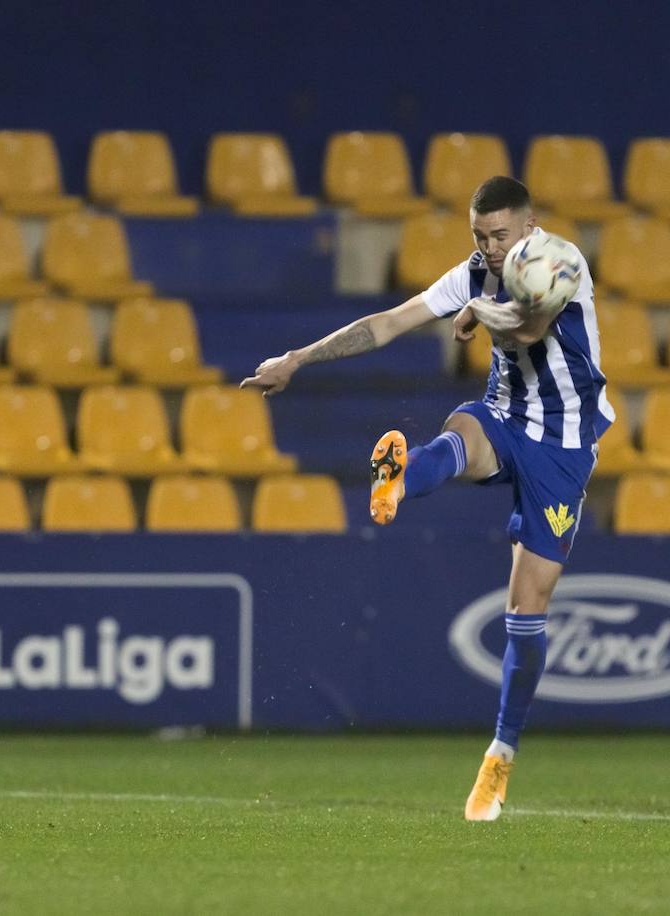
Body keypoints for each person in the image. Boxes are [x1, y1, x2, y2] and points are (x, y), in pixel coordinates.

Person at [241, 176, 613, 822]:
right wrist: (298, 358)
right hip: (504, 416)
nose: (489, 249)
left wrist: (477, 310)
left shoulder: (562, 261)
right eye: (479, 236)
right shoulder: (475, 272)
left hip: (565, 446)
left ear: (528, 228)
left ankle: (499, 756)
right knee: (462, 436)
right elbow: (389, 323)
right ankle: (401, 476)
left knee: (527, 609)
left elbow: (529, 325)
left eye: (499, 236)